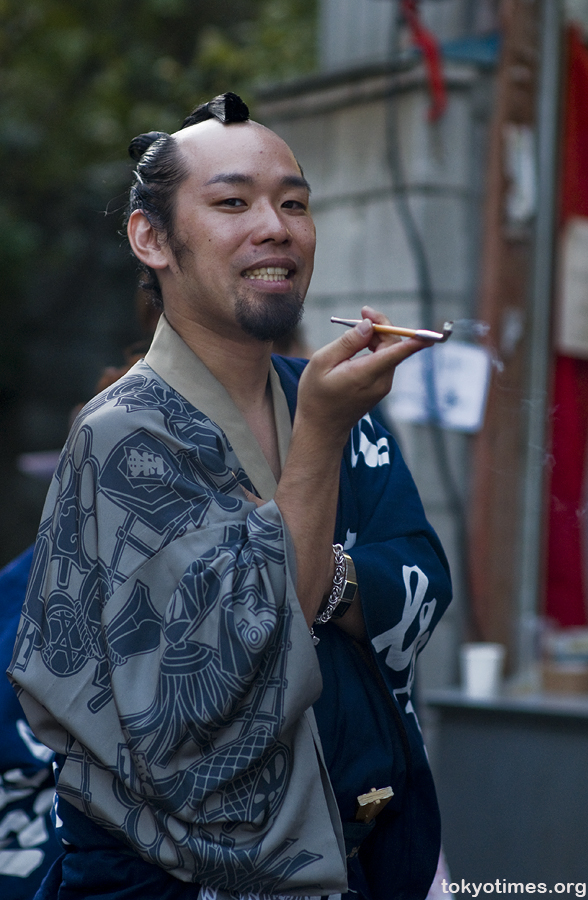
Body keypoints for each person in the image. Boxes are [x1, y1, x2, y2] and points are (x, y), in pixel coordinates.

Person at [8, 92, 452, 900]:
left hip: (365, 850)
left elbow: (423, 572)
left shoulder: (321, 393)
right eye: (232, 201)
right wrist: (318, 444)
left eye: (294, 202)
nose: (275, 225)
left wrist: (330, 573)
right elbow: (213, 679)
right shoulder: (123, 436)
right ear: (152, 238)